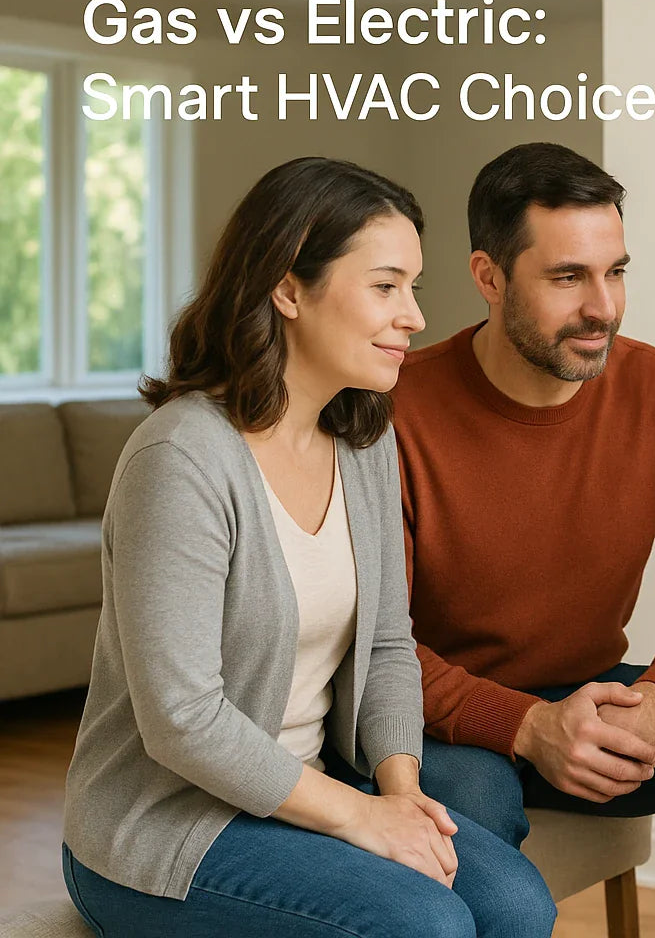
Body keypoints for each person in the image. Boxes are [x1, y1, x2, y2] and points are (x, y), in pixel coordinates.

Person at [60, 157, 556, 938]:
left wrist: (398, 792)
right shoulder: (182, 459)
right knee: (425, 925)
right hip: (168, 828)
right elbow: (183, 720)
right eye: (386, 286)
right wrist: (358, 817)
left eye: (413, 288)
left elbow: (389, 643)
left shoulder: (362, 442)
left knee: (519, 906)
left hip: (306, 793)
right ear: (288, 288)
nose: (415, 317)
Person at [391, 142, 655, 937]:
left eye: (615, 271)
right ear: (488, 277)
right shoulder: (396, 408)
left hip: (588, 694)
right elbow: (374, 647)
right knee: (476, 798)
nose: (603, 307)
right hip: (441, 718)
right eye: (567, 277)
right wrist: (525, 726)